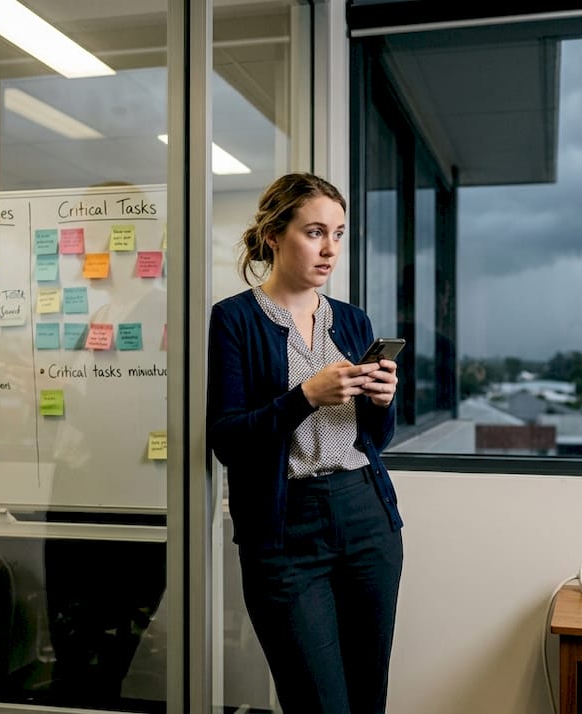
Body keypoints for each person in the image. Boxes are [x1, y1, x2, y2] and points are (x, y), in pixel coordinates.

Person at [206, 172, 404, 714]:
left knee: (368, 698)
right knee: (316, 703)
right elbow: (226, 438)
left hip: (367, 516)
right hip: (286, 528)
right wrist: (304, 396)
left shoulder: (353, 319)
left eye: (338, 234)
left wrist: (382, 402)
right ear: (274, 234)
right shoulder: (234, 320)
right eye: (315, 232)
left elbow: (374, 440)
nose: (330, 248)